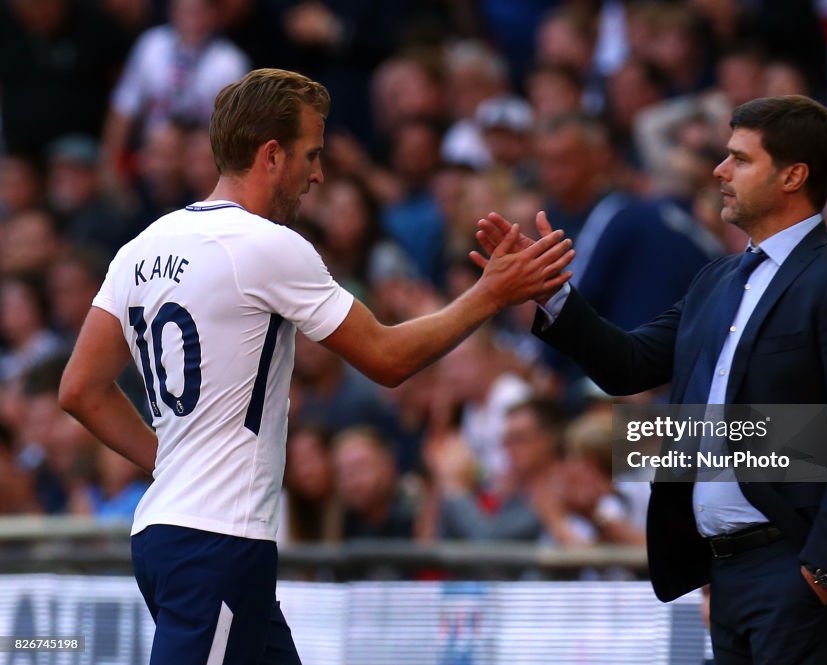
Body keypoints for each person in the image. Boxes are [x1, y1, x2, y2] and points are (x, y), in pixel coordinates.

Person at [58, 68, 574, 665]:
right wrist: (490, 294)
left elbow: (80, 389)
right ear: (271, 155)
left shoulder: (141, 246)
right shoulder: (267, 245)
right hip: (218, 543)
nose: (319, 174)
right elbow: (387, 358)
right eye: (312, 154)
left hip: (171, 533)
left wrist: (169, 465)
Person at [474, 95, 827, 664]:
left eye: (740, 160)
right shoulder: (716, 280)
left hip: (797, 568)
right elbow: (628, 365)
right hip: (726, 573)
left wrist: (820, 569)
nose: (719, 171)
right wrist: (552, 294)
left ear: (794, 175)